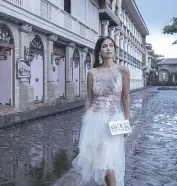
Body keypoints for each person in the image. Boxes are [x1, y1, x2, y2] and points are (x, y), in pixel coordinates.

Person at [72, 36, 130, 186]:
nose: (108, 48)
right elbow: (89, 99)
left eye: (111, 45)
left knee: (108, 158)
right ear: (99, 51)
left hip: (115, 119)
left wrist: (127, 121)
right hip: (95, 119)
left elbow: (125, 97)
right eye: (105, 46)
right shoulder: (92, 72)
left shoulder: (123, 71)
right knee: (100, 159)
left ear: (115, 50)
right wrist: (86, 120)